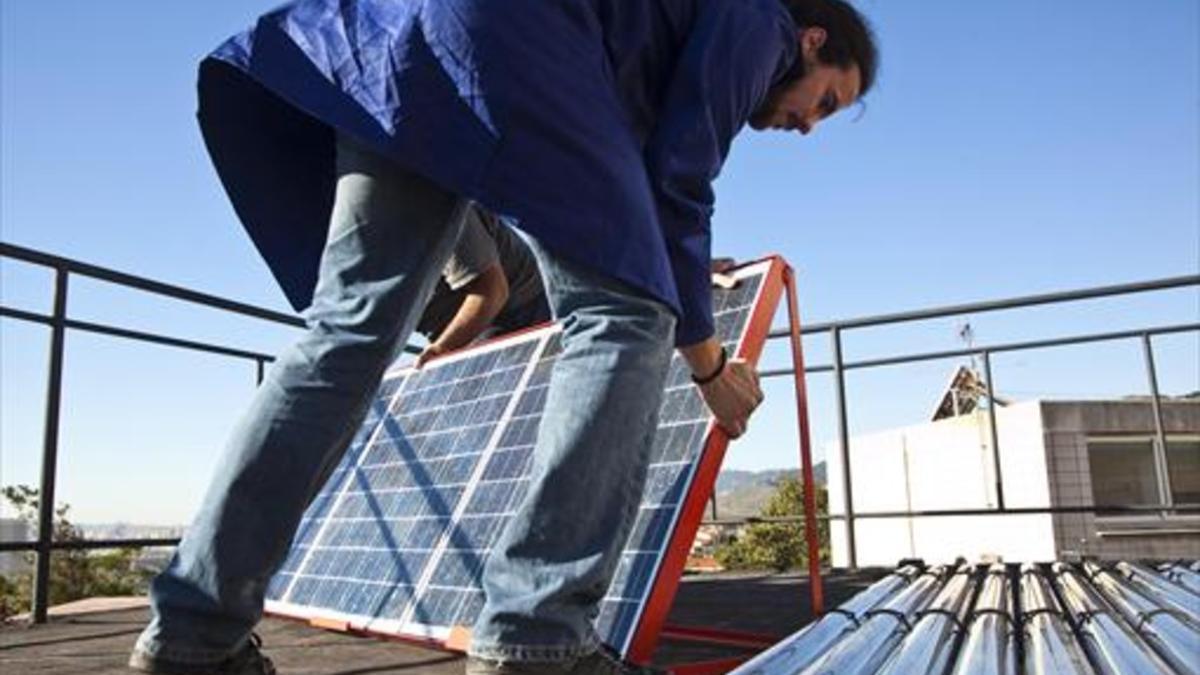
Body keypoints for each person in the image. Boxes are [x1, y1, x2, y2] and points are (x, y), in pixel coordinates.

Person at [129, 1, 878, 674]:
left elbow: (642, 186)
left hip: (408, 41)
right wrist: (711, 365)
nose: (808, 123)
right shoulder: (762, 22)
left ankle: (194, 633)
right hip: (517, 37)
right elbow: (680, 177)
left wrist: (661, 259)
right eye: (827, 100)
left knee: (346, 335)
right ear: (812, 40)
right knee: (626, 317)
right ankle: (536, 636)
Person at [416, 205, 551, 367]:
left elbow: (492, 292)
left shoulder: (437, 210)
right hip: (445, 326)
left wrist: (442, 347)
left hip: (512, 310)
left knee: (491, 379)